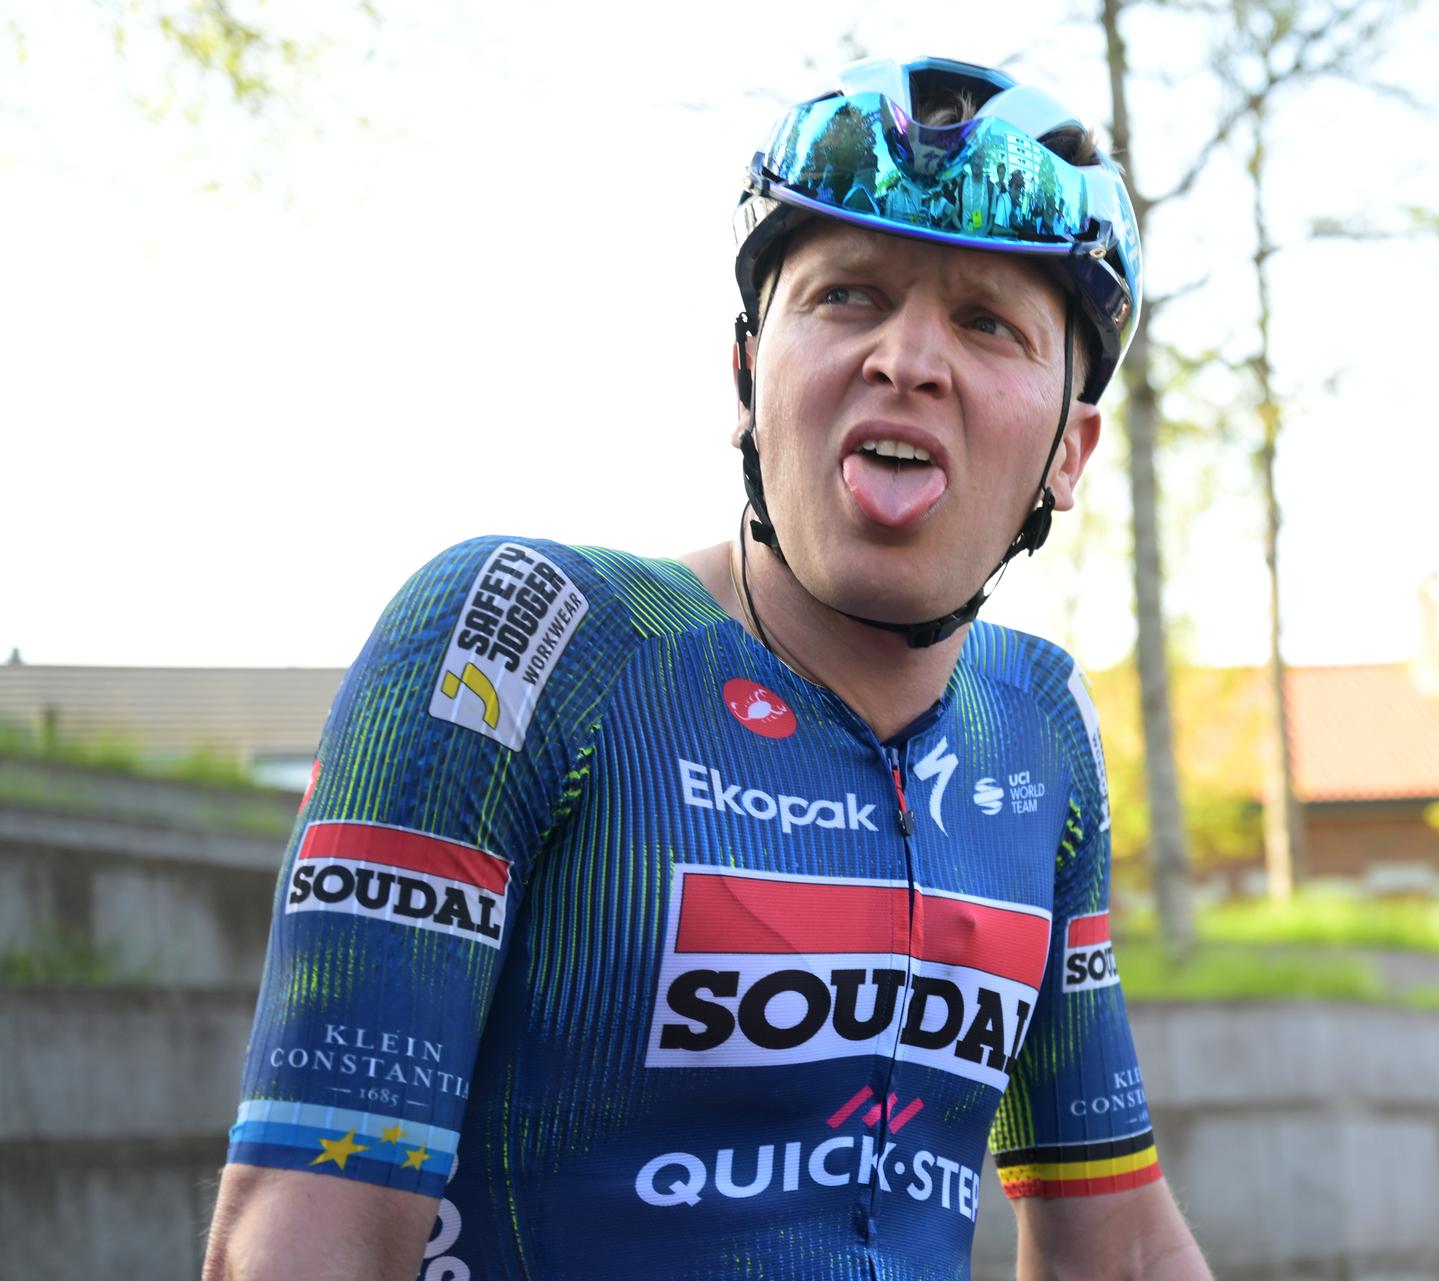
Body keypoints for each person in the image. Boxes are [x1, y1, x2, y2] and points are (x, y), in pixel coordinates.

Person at [201, 54, 1209, 1281]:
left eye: (988, 321)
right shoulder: (522, 636)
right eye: (848, 296)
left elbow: (1124, 1246)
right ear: (745, 378)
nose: (909, 358)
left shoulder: (1041, 728)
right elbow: (299, 1243)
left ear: (1069, 450)